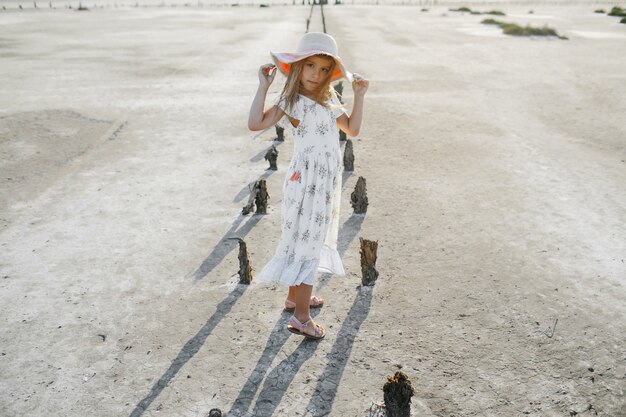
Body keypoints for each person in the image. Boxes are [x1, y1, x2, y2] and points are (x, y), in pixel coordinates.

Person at [248, 32, 369, 340]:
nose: (316, 74)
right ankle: (302, 318)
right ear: (298, 65)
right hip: (306, 182)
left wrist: (359, 97)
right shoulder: (292, 101)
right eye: (311, 65)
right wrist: (264, 87)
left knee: (302, 238)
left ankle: (294, 298)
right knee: (307, 244)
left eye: (324, 68)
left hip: (324, 180)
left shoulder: (329, 99)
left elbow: (351, 130)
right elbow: (256, 123)